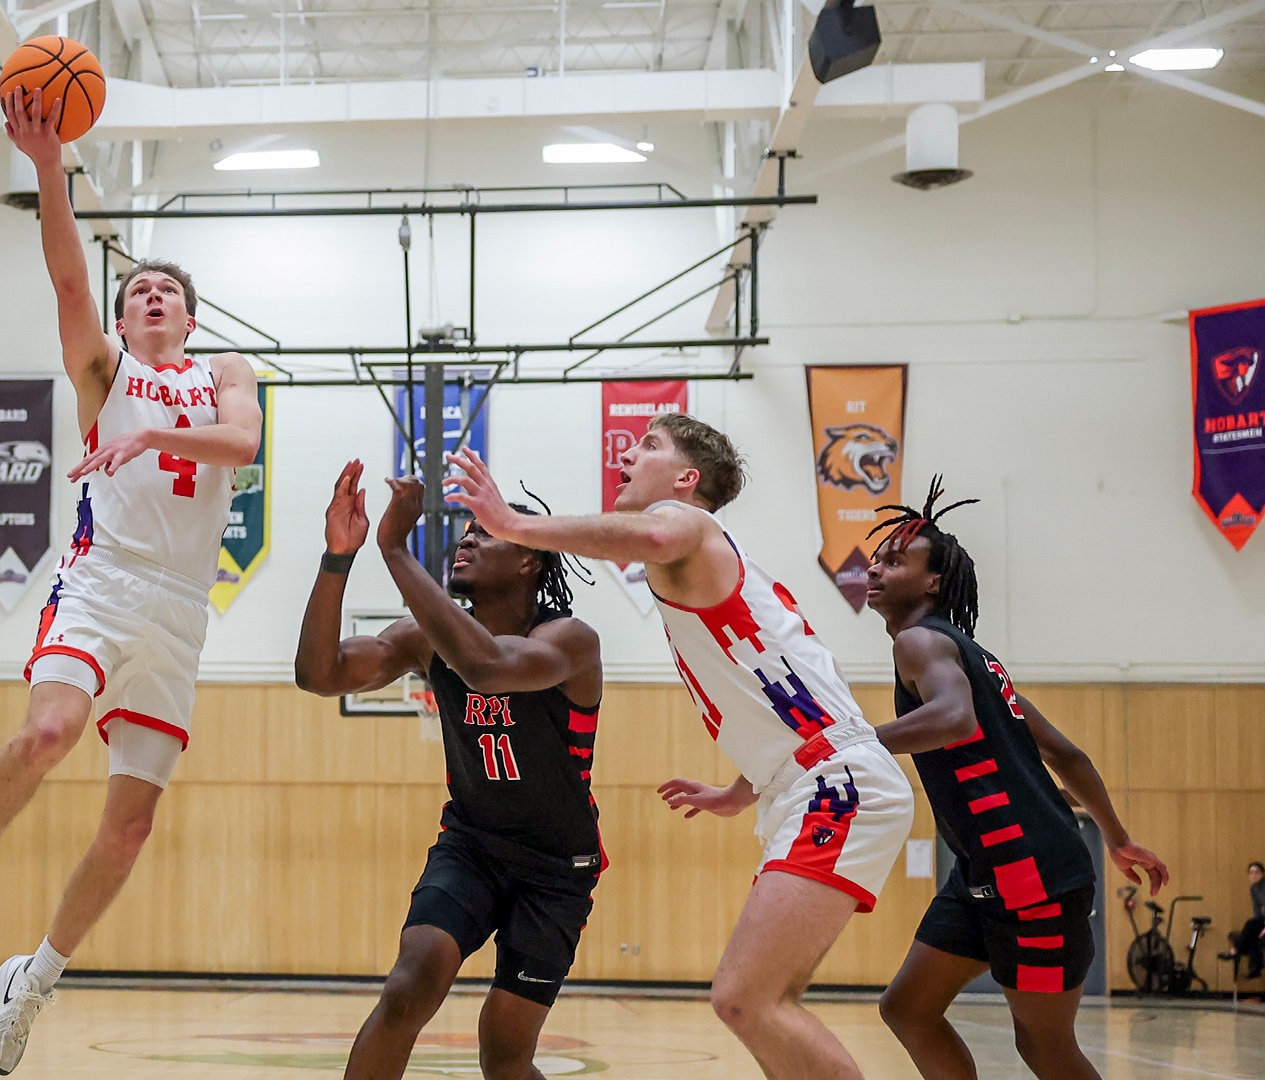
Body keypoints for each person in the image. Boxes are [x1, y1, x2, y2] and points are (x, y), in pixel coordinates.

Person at [0, 87, 261, 1075]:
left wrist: (156, 432)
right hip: (103, 582)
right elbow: (68, 282)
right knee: (50, 731)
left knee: (130, 826)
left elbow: (243, 439)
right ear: (121, 315)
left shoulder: (225, 371)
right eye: (138, 290)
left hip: (182, 614)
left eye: (168, 292)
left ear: (190, 315)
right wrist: (51, 170)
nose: (152, 298)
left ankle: (36, 982)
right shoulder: (106, 374)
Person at [443, 418, 915, 1080]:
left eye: (652, 446)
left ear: (687, 479)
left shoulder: (685, 526)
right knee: (762, 1004)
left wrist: (512, 524)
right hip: (807, 777)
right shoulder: (709, 567)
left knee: (747, 1000)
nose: (630, 453)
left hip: (834, 783)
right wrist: (745, 784)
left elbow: (653, 535)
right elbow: (788, 692)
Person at [295, 465, 604, 1080]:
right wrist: (339, 560)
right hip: (473, 843)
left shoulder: (570, 641)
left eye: (485, 533)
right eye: (464, 531)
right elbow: (319, 674)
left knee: (505, 1052)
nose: (466, 540)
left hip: (556, 865)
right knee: (412, 980)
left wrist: (393, 548)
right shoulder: (426, 640)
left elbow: (486, 666)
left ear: (529, 563)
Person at [862, 479, 1169, 1079]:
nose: (875, 567)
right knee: (907, 1009)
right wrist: (1116, 836)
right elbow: (1067, 754)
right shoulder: (976, 657)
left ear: (933, 583)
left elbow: (953, 719)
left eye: (895, 560)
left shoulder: (922, 642)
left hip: (1032, 880)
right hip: (986, 877)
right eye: (876, 557)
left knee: (1046, 1049)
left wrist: (849, 742)